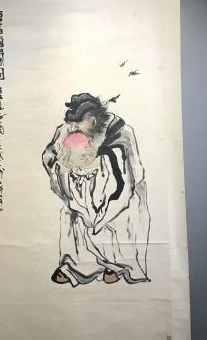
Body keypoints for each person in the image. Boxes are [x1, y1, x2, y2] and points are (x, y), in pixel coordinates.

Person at [42, 93, 151, 286]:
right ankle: (74, 266)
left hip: (117, 188)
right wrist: (63, 170)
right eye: (72, 123)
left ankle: (117, 265)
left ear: (93, 120)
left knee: (114, 222)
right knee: (73, 217)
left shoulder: (121, 133)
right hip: (78, 186)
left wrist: (101, 215)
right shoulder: (69, 128)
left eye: (79, 123)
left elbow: (129, 180)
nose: (74, 128)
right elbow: (50, 156)